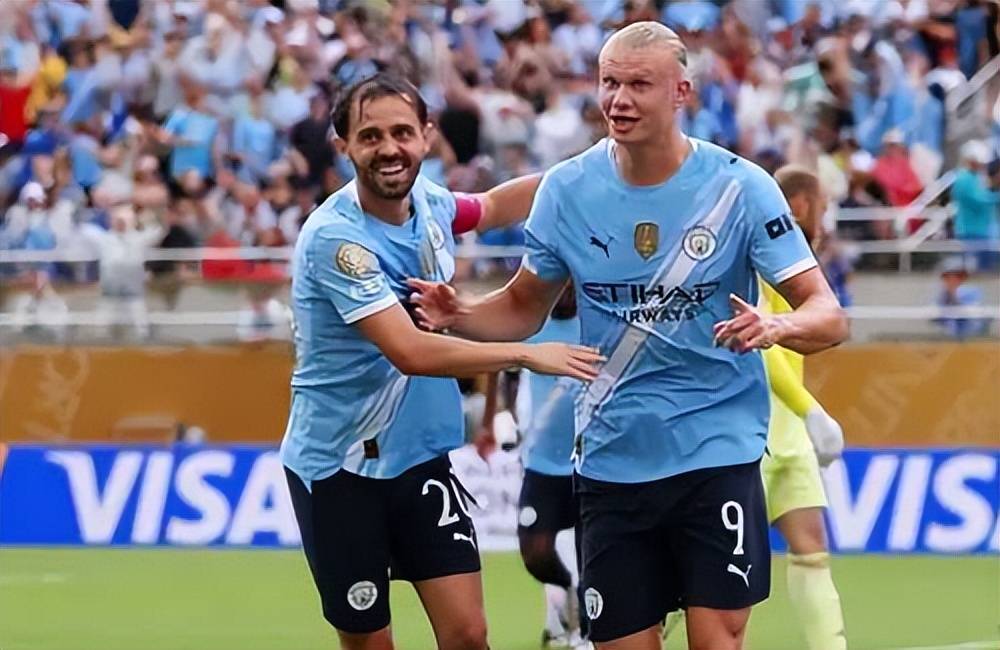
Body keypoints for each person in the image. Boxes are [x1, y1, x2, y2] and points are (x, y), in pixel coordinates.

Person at [410, 22, 848, 650]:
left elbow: (827, 314)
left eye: (639, 84)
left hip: (716, 451)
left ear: (681, 92)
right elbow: (523, 308)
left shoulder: (741, 187)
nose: (619, 99)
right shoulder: (567, 190)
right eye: (609, 82)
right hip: (612, 459)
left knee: (717, 640)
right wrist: (460, 312)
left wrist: (778, 324)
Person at [279, 73, 602, 650]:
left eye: (402, 132)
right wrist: (527, 353)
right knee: (370, 642)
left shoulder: (429, 202)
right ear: (343, 145)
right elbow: (410, 350)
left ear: (427, 136)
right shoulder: (336, 239)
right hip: (339, 470)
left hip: (419, 461)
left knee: (469, 635)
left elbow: (494, 205)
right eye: (371, 136)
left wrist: (594, 171)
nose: (389, 148)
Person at [762, 165, 848, 650]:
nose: (824, 217)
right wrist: (811, 409)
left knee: (812, 548)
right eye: (822, 205)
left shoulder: (798, 263)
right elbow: (761, 343)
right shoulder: (763, 256)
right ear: (799, 204)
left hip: (788, 430)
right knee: (714, 568)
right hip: (749, 428)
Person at [513, 287, 584, 648]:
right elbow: (501, 363)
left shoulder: (594, 321)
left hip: (589, 462)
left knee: (596, 559)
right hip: (542, 461)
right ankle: (566, 590)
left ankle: (584, 632)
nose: (565, 293)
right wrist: (495, 415)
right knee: (535, 553)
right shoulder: (533, 323)